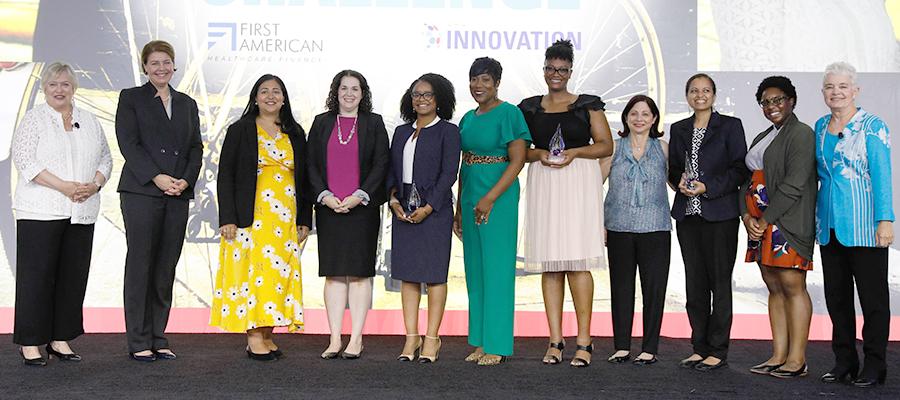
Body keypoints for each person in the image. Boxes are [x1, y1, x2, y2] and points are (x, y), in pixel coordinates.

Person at [518, 39, 612, 367]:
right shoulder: (529, 108)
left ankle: (584, 341)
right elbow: (519, 151)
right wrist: (539, 154)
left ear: (570, 71)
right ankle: (555, 341)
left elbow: (605, 145)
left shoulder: (588, 105)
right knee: (551, 263)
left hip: (578, 182)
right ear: (544, 70)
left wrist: (575, 152)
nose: (556, 74)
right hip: (545, 181)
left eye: (562, 69)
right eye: (550, 68)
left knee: (577, 262)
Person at [11, 62, 112, 366]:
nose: (59, 89)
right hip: (40, 211)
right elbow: (25, 161)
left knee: (72, 278)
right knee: (36, 279)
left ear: (74, 88)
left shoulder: (89, 120)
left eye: (65, 84)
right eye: (53, 84)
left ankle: (60, 339)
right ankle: (30, 342)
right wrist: (64, 187)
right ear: (44, 88)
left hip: (81, 211)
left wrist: (94, 185)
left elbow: (106, 158)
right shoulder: (34, 119)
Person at [210, 74, 312, 361]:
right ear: (255, 97)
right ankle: (254, 335)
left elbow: (305, 179)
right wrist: (227, 218)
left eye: (276, 91)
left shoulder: (295, 132)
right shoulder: (240, 129)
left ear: (284, 98)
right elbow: (225, 175)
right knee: (252, 275)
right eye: (264, 91)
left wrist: (305, 219)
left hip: (285, 220)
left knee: (277, 276)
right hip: (249, 218)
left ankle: (267, 332)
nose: (270, 96)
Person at [115, 40, 203, 362]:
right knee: (141, 264)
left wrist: (186, 180)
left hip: (177, 193)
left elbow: (195, 147)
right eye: (154, 63)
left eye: (166, 62)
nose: (161, 68)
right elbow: (129, 143)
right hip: (142, 192)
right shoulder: (131, 98)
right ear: (145, 67)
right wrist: (157, 177)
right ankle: (139, 339)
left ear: (174, 65)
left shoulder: (186, 103)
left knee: (166, 267)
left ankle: (158, 337)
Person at [815, 62, 893, 388]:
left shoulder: (872, 126)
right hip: (829, 226)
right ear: (823, 92)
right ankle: (844, 361)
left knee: (873, 301)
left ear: (856, 91)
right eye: (830, 87)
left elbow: (882, 176)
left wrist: (885, 220)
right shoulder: (820, 126)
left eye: (843, 86)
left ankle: (875, 365)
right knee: (837, 299)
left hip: (865, 226)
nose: (836, 92)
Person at [668, 73, 749, 372]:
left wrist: (708, 187)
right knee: (695, 284)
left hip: (720, 216)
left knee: (719, 283)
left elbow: (740, 169)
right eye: (694, 90)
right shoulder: (678, 128)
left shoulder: (730, 126)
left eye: (705, 90)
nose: (699, 95)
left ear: (714, 95)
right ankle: (699, 347)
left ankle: (718, 349)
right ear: (687, 95)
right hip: (688, 216)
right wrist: (678, 182)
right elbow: (673, 168)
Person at [307, 70, 389, 360]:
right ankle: (334, 338)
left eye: (355, 88)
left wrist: (359, 196)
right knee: (333, 275)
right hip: (329, 209)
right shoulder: (321, 122)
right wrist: (325, 196)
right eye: (344, 88)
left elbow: (381, 163)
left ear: (363, 93)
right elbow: (311, 164)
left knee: (359, 275)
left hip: (362, 210)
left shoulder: (374, 123)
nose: (349, 93)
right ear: (336, 91)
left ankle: (356, 339)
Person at [454, 57, 530, 366]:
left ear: (497, 83)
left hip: (498, 196)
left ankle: (497, 344)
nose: (478, 85)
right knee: (475, 270)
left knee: (497, 269)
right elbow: (465, 163)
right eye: (474, 79)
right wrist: (460, 209)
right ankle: (481, 341)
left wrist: (490, 198)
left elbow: (518, 160)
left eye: (485, 79)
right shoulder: (467, 118)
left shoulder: (509, 113)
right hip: (470, 193)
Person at [740, 76, 816, 378]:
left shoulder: (801, 134)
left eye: (778, 100)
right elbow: (746, 179)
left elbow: (795, 184)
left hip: (786, 221)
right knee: (773, 285)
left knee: (792, 285)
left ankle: (797, 360)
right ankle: (778, 355)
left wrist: (764, 219)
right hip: (759, 224)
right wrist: (746, 217)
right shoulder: (764, 135)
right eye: (766, 102)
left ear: (791, 101)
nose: (772, 106)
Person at [388, 73, 460, 363]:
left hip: (435, 210)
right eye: (416, 94)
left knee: (434, 275)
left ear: (439, 99)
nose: (421, 99)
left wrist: (429, 207)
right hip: (403, 209)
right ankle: (411, 338)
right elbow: (391, 170)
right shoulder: (401, 132)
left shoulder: (448, 131)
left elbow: (449, 173)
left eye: (427, 94)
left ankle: (431, 338)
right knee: (408, 275)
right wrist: (393, 199)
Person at [600, 95, 671, 366]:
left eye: (645, 114)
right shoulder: (614, 148)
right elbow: (594, 184)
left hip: (656, 228)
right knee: (621, 289)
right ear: (626, 118)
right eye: (634, 113)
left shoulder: (663, 148)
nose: (639, 119)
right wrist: (598, 223)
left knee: (654, 290)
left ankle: (649, 348)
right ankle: (621, 346)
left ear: (654, 119)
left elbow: (677, 181)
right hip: (619, 227)